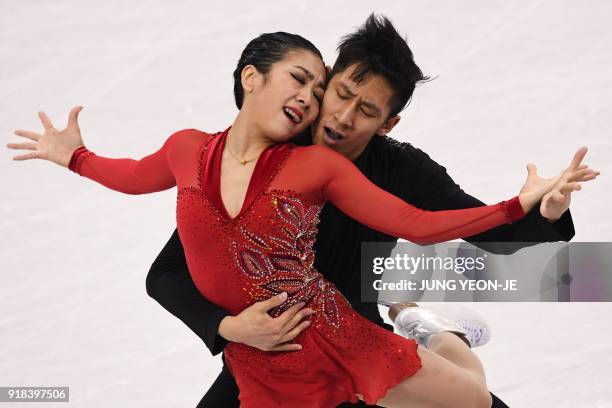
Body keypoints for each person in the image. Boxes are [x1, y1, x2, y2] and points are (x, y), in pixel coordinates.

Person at [8, 28, 597, 407]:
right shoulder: (251, 160)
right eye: (335, 93)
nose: (339, 115)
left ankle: (434, 331)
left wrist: (541, 212)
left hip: (354, 337)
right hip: (269, 352)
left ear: (387, 124)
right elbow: (167, 273)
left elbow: (466, 229)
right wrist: (231, 328)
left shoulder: (401, 170)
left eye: (366, 110)